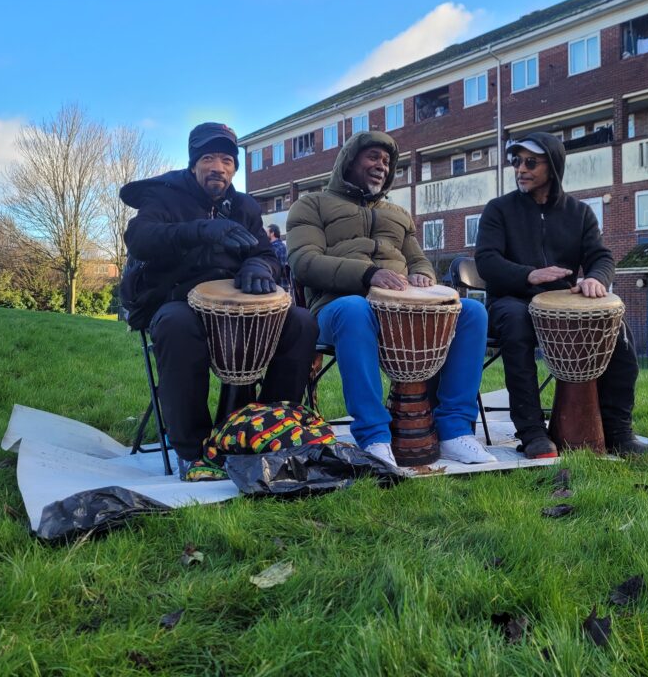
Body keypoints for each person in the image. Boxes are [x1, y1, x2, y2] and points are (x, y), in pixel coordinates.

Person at [120, 122, 318, 480]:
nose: (218, 167)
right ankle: (193, 450)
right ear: (194, 163)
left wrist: (258, 265)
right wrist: (201, 230)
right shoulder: (163, 195)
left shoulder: (243, 205)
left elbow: (267, 253)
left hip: (238, 306)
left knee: (301, 322)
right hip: (178, 299)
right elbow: (140, 238)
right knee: (177, 326)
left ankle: (263, 430)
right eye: (208, 158)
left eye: (227, 160)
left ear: (234, 168)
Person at [286, 131, 496, 468]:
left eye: (386, 161)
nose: (381, 166)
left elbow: (418, 260)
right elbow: (304, 262)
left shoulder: (398, 213)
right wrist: (367, 275)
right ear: (349, 160)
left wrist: (422, 276)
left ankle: (456, 430)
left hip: (403, 314)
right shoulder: (311, 205)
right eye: (372, 157)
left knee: (471, 311)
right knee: (354, 309)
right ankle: (374, 437)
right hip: (337, 311)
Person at [474, 131, 648, 459]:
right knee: (517, 324)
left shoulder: (580, 213)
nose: (521, 169)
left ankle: (618, 432)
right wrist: (529, 274)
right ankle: (532, 433)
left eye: (531, 162)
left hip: (563, 305)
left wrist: (596, 279)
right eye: (516, 162)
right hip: (511, 301)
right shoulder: (498, 210)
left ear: (554, 166)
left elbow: (601, 257)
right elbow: (486, 261)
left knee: (619, 330)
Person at [267, 223, 291, 290]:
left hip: (279, 286)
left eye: (266, 232)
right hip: (282, 285)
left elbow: (282, 268)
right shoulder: (281, 246)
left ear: (272, 233)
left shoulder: (276, 247)